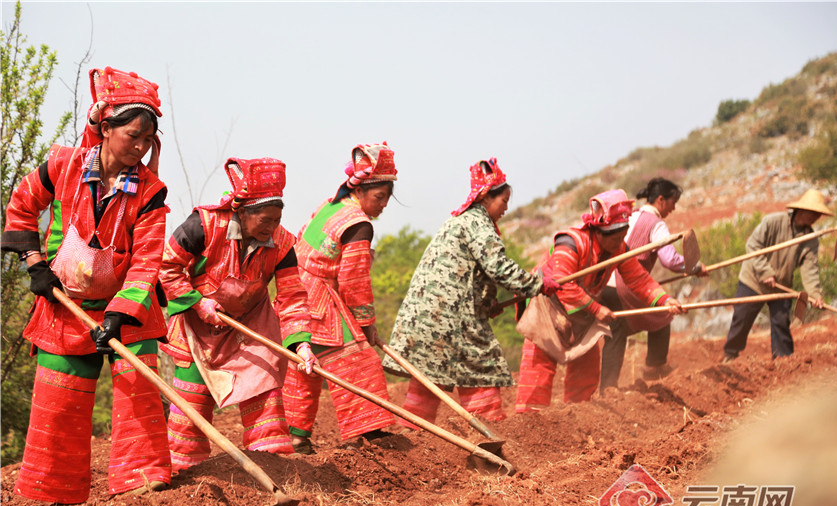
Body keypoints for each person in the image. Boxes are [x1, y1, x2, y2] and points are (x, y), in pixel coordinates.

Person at [1, 67, 171, 502]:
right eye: (132, 134)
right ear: (105, 126)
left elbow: (148, 259)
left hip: (128, 314)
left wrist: (118, 313)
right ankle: (51, 494)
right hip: (64, 308)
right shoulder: (63, 165)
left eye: (147, 139)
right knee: (58, 407)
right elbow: (20, 208)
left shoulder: (150, 191)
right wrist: (34, 262)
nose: (139, 146)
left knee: (139, 398)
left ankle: (142, 488)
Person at [159, 157, 319, 471]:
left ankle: (271, 467)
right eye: (265, 220)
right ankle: (186, 476)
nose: (271, 228)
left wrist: (301, 345)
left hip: (251, 330)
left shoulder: (283, 244)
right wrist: (197, 302)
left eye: (277, 219)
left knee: (265, 391)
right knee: (191, 407)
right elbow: (167, 268)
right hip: (196, 329)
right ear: (242, 212)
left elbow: (292, 297)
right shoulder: (203, 225)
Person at [382, 158, 560, 425]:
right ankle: (486, 434)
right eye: (504, 201)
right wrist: (537, 284)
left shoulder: (457, 222)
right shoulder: (478, 224)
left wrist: (488, 305)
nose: (506, 209)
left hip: (424, 318)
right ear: (486, 197)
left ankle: (412, 439)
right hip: (451, 320)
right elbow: (497, 267)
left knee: (428, 379)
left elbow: (469, 275)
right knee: (482, 368)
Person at [515, 189, 684, 411]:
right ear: (600, 232)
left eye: (623, 236)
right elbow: (563, 283)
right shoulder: (571, 242)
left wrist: (664, 301)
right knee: (537, 373)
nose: (620, 242)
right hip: (548, 308)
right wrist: (597, 309)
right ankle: (530, 425)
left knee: (586, 370)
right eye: (616, 238)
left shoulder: (618, 249)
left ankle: (578, 415)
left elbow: (639, 280)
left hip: (581, 311)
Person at [283, 142, 398, 453]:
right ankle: (369, 435)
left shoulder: (332, 205)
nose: (384, 204)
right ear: (360, 191)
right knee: (359, 360)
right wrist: (365, 324)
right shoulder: (358, 224)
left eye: (388, 198)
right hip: (320, 298)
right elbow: (354, 282)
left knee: (304, 364)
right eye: (379, 196)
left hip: (294, 293)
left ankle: (294, 437)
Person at [599, 177, 707, 389]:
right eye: (673, 203)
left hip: (603, 283)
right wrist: (695, 267)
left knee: (616, 333)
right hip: (626, 283)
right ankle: (654, 367)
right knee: (663, 314)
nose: (673, 209)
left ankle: (607, 388)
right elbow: (670, 260)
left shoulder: (629, 216)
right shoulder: (656, 224)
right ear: (661, 200)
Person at [721, 189, 832, 362]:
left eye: (818, 214)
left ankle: (784, 361)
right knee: (741, 321)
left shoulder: (811, 238)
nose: (816, 217)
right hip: (753, 280)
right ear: (802, 210)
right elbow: (752, 246)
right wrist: (765, 272)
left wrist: (815, 294)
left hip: (781, 285)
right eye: (813, 213)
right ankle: (730, 355)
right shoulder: (772, 222)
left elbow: (810, 268)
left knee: (781, 323)